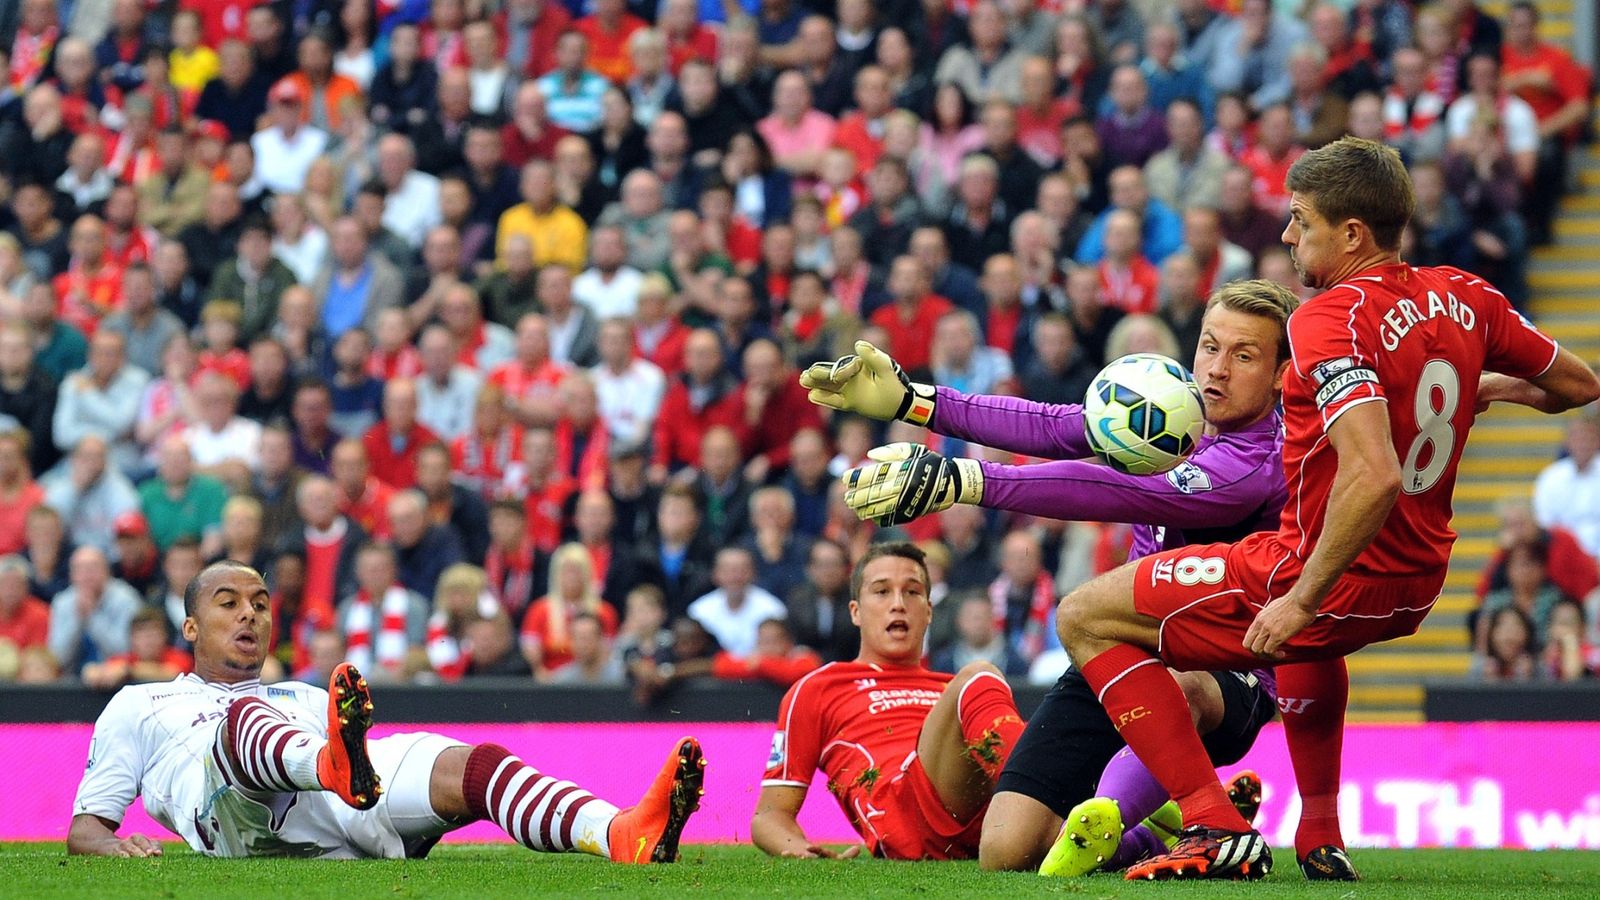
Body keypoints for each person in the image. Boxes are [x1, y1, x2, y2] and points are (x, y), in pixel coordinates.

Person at [1040, 136, 1598, 881]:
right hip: (1417, 582)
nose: (1287, 235)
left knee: (1083, 614)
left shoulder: (1324, 321)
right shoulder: (1470, 296)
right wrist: (1485, 388)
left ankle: (1209, 823)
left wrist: (1301, 599)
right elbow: (1579, 384)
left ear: (1352, 235)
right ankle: (1321, 834)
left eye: (1300, 220)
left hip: (1318, 573)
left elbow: (1373, 475)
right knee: (1313, 642)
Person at [801, 279, 1295, 874]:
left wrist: (970, 482)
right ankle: (1155, 838)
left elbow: (1119, 489)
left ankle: (1196, 818)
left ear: (1279, 376)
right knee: (1005, 851)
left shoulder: (1259, 462)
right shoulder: (1174, 410)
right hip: (1119, 655)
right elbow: (1052, 424)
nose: (1216, 369)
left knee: (1181, 687)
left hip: (1222, 672)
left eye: (1243, 356)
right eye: (1209, 347)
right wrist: (914, 401)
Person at [67, 560, 705, 863]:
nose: (249, 615)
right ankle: (329, 762)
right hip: (232, 818)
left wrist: (358, 770)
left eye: (260, 604)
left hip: (337, 805)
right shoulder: (143, 703)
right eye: (229, 603)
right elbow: (85, 826)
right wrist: (113, 848)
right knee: (239, 722)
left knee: (471, 764)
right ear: (189, 625)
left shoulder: (305, 696)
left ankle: (619, 833)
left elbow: (363, 767)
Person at [750, 543, 1026, 860]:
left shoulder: (950, 689)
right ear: (855, 611)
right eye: (882, 592)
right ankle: (1045, 795)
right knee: (982, 676)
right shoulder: (820, 687)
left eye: (912, 592)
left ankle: (1058, 813)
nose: (898, 604)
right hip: (904, 817)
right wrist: (801, 851)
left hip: (987, 826)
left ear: (929, 611)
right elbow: (769, 815)